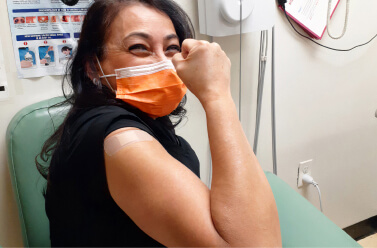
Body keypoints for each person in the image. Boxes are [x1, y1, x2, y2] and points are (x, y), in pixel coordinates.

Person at [36, 0, 282, 247]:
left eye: (171, 48)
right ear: (93, 68)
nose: (164, 62)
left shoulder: (143, 120)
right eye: (139, 47)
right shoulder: (121, 140)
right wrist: (217, 94)